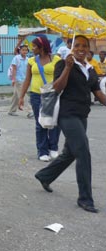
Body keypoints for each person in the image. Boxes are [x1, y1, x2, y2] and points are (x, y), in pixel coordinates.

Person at [34, 35, 106, 213]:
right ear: (71, 47)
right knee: (83, 152)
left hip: (82, 116)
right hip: (67, 115)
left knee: (70, 153)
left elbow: (97, 93)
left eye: (84, 46)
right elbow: (57, 87)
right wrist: (67, 68)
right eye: (77, 45)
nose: (81, 49)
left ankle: (44, 175)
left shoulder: (90, 69)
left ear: (89, 49)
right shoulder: (63, 63)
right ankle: (85, 199)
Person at [19, 36, 61, 162]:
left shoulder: (56, 60)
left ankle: (53, 147)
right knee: (40, 123)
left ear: (42, 47)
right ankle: (42, 151)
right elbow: (27, 80)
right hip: (36, 95)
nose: (32, 49)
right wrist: (21, 96)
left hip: (52, 94)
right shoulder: (32, 61)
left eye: (34, 46)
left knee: (54, 121)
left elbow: (62, 77)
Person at [8, 45, 33, 117]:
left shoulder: (28, 59)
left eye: (26, 50)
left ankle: (12, 110)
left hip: (24, 79)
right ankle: (29, 111)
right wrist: (13, 79)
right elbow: (14, 69)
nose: (25, 51)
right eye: (23, 50)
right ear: (20, 51)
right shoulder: (16, 58)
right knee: (23, 94)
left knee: (16, 95)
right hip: (18, 79)